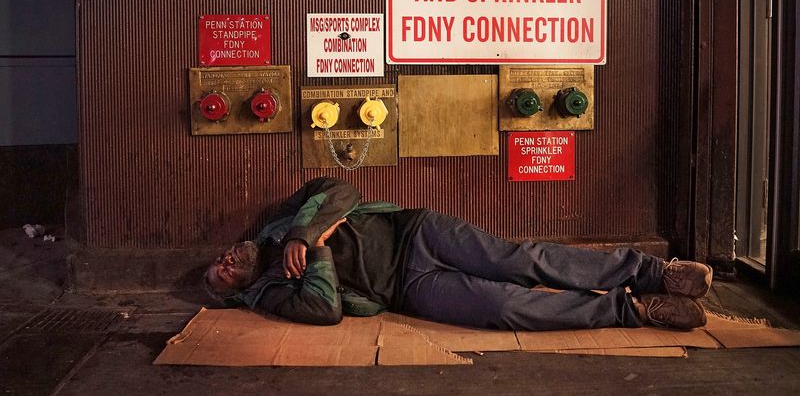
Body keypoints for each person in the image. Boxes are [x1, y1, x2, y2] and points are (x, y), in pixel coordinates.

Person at [204, 177, 712, 331]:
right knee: (503, 308)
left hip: (418, 233)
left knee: (519, 260)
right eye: (222, 275)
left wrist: (299, 231)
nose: (226, 261)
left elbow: (339, 190)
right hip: (407, 289)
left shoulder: (274, 224)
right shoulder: (269, 292)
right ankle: (632, 309)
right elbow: (325, 310)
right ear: (238, 292)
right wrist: (316, 253)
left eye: (221, 258)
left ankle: (652, 272)